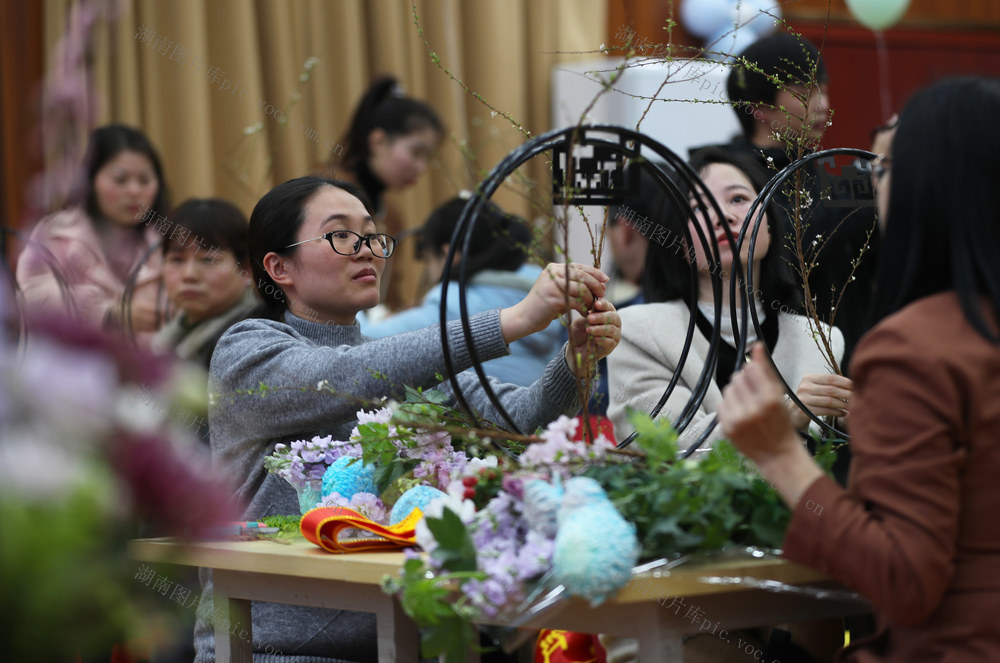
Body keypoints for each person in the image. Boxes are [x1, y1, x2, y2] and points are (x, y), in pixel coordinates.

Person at [194, 176, 621, 663]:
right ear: (279, 266)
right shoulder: (245, 351)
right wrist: (514, 320)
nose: (367, 251)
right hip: (271, 651)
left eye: (373, 237)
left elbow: (516, 422)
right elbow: (339, 377)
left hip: (400, 641)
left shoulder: (399, 365)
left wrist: (575, 361)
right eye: (341, 236)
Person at [718, 76, 1000, 661]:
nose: (874, 181)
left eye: (890, 167)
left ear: (935, 186)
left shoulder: (917, 348)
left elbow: (903, 579)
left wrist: (780, 458)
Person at [607, 148, 851, 446]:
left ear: (770, 226)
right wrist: (784, 417)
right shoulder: (638, 332)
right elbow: (664, 448)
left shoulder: (820, 340)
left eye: (738, 199)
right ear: (680, 240)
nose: (723, 215)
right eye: (699, 208)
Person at [696, 31, 878, 369]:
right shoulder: (721, 179)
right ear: (759, 108)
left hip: (850, 363)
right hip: (763, 366)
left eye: (823, 89)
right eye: (806, 92)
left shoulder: (839, 174)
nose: (822, 104)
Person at [360, 193, 564, 386]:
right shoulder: (542, 287)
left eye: (430, 261)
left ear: (449, 254)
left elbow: (362, 344)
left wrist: (355, 304)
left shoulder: (452, 302)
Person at [16, 123, 170, 341]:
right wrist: (106, 313)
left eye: (144, 180)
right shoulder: (58, 233)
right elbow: (31, 298)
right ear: (90, 181)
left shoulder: (167, 241)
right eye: (120, 179)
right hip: (74, 367)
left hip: (151, 368)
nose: (134, 191)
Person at [324, 75, 444, 310]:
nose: (422, 167)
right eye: (416, 152)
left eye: (428, 158)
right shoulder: (323, 193)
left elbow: (387, 294)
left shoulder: (392, 214)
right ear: (378, 141)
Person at [152, 198, 258, 370]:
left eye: (208, 259)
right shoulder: (171, 336)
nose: (189, 275)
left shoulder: (251, 339)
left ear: (245, 268)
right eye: (177, 260)